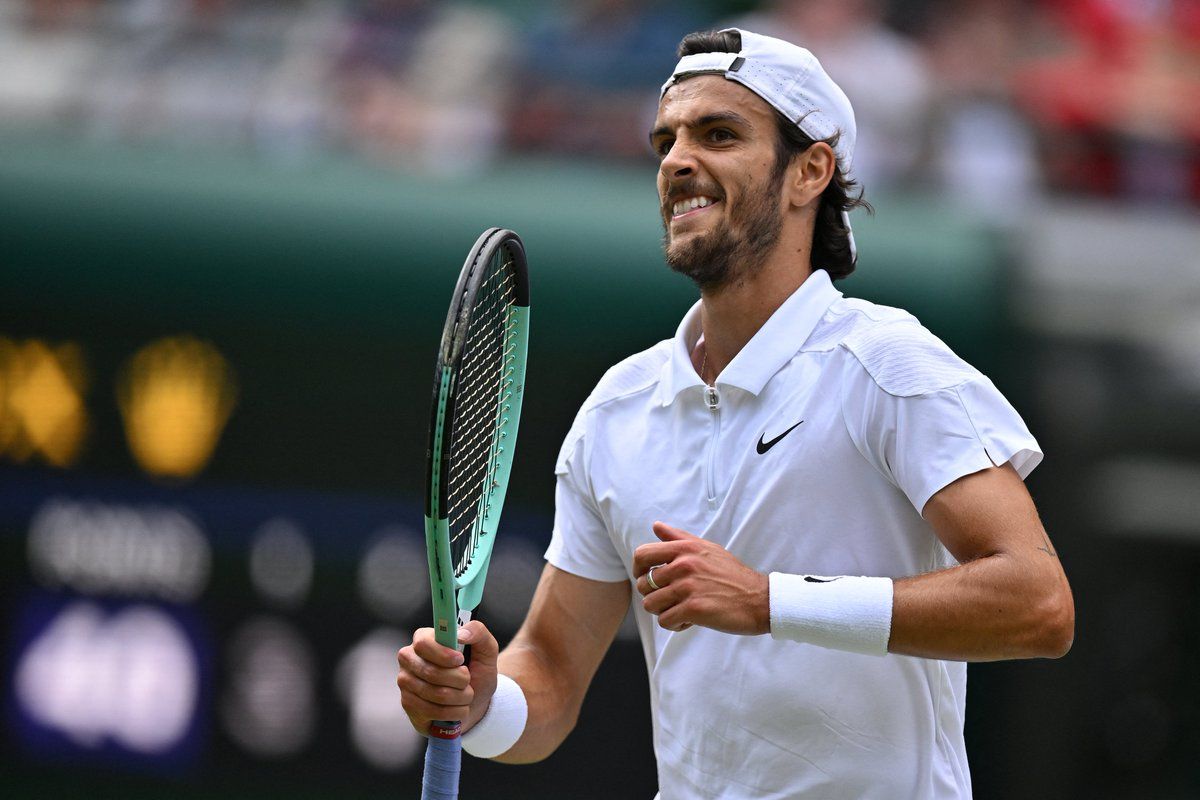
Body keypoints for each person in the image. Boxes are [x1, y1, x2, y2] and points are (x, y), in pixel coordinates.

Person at [398, 27, 1074, 799]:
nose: (679, 159)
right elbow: (549, 671)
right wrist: (484, 704)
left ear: (809, 171)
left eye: (719, 134)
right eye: (667, 140)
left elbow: (1038, 601)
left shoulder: (889, 364)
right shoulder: (616, 411)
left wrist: (766, 602)